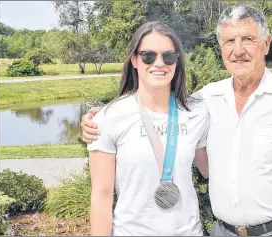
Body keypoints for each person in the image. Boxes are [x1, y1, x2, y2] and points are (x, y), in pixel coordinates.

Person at [82, 4, 272, 236]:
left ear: (266, 43)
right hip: (224, 232)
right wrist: (94, 119)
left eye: (248, 39)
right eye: (229, 41)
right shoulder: (207, 99)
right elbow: (103, 195)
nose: (239, 50)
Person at [86, 21, 210, 236]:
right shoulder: (109, 118)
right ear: (134, 60)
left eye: (168, 56)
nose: (159, 63)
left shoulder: (197, 113)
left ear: (177, 61)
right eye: (148, 56)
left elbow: (209, 170)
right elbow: (101, 196)